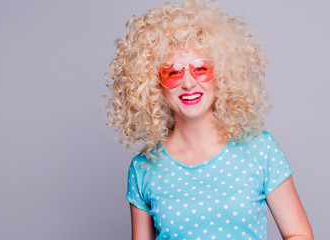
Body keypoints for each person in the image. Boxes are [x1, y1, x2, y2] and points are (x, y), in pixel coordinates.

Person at [106, 0, 313, 239]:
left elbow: (299, 234)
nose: (188, 82)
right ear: (154, 85)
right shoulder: (143, 168)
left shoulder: (260, 150)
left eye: (201, 68)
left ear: (222, 75)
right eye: (172, 72)